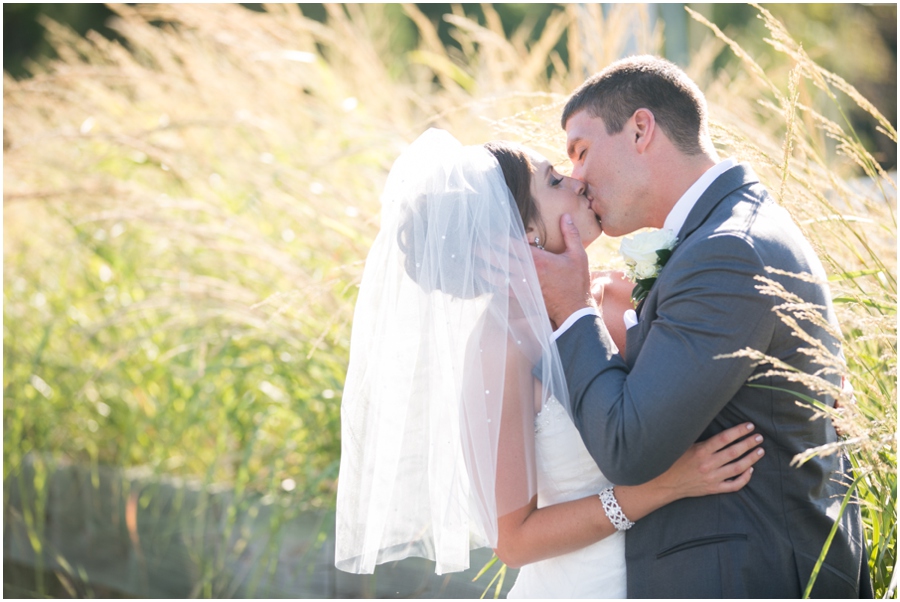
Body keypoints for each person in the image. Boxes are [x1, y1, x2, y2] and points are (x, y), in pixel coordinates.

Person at [335, 128, 764, 598]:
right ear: (528, 234)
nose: (578, 181)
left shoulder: (625, 286)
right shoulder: (501, 348)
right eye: (554, 182)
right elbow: (513, 540)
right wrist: (660, 489)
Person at [531, 55, 872, 598]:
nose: (576, 176)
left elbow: (630, 449)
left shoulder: (726, 251)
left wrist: (572, 310)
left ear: (641, 129)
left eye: (582, 151)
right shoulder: (721, 234)